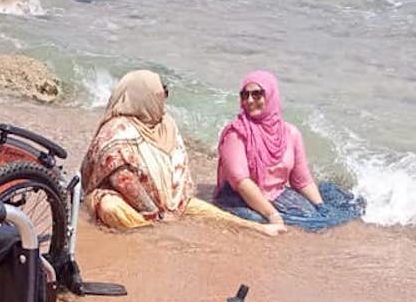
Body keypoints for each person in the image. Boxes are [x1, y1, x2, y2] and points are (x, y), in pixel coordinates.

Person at [81, 70, 285, 237]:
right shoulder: (117, 130)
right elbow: (123, 181)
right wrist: (154, 213)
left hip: (169, 203)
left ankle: (259, 229)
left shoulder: (166, 124)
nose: (164, 98)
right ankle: (157, 237)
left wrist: (173, 202)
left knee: (209, 212)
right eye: (162, 93)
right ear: (145, 97)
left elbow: (179, 171)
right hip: (129, 201)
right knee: (111, 209)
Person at [213, 70, 362, 231]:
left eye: (257, 94)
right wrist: (272, 215)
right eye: (245, 95)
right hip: (239, 196)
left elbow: (302, 180)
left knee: (314, 218)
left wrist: (320, 206)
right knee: (257, 220)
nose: (249, 100)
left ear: (271, 96)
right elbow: (240, 181)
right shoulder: (236, 133)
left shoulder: (291, 134)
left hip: (276, 193)